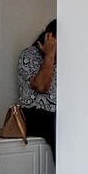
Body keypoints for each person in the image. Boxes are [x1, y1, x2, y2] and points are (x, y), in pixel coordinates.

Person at [13, 20, 57, 148]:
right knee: (59, 127)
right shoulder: (29, 55)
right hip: (37, 115)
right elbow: (41, 86)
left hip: (60, 114)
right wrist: (49, 55)